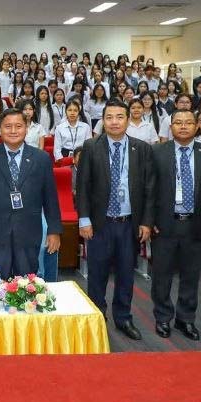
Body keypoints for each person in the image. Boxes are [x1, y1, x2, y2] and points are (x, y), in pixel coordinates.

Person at [76, 101, 153, 340]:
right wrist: (84, 220)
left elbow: (149, 189)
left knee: (126, 274)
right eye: (109, 117)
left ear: (128, 120)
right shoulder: (91, 146)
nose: (114, 122)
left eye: (120, 117)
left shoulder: (141, 148)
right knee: (97, 273)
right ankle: (97, 317)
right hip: (100, 223)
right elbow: (83, 186)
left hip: (129, 223)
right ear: (103, 121)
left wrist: (146, 222)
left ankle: (123, 318)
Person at [141, 109, 201, 341]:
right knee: (161, 275)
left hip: (195, 225)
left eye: (188, 123)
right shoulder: (157, 152)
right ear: (170, 126)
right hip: (164, 224)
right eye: (178, 123)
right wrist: (149, 221)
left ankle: (186, 319)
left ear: (197, 126)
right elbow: (149, 190)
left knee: (190, 276)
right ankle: (163, 317)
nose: (183, 126)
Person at [0, 108, 62, 279]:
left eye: (18, 126)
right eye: (8, 126)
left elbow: (50, 198)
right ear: (0, 129)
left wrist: (54, 230)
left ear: (27, 128)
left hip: (28, 232)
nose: (13, 131)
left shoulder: (41, 159)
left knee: (26, 285)